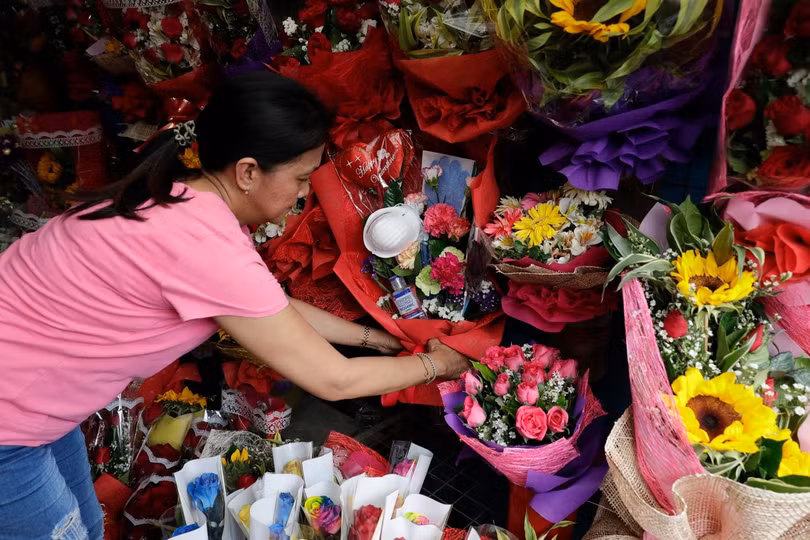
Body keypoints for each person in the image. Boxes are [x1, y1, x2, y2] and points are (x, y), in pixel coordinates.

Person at [0, 72, 469, 539]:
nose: (306, 193)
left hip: (32, 403)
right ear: (247, 171)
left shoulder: (178, 200)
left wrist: (379, 340)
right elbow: (335, 378)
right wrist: (438, 364)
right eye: (301, 178)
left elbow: (273, 306)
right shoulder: (202, 246)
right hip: (9, 420)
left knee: (84, 525)